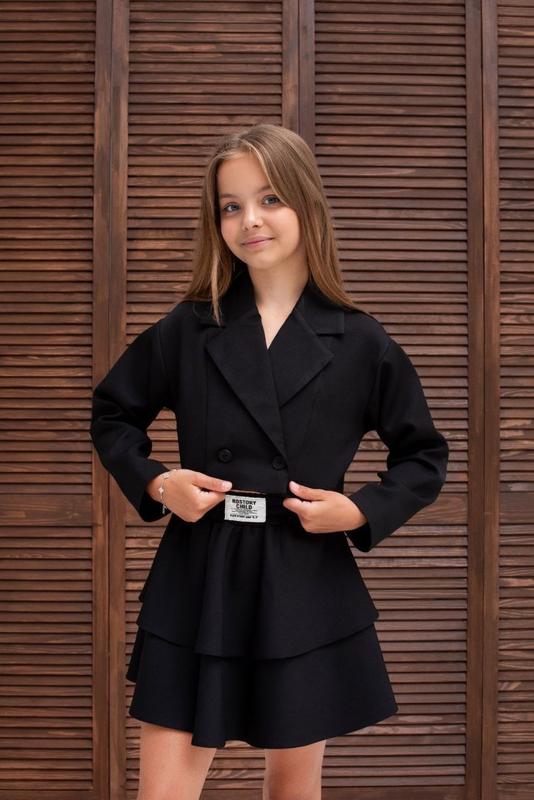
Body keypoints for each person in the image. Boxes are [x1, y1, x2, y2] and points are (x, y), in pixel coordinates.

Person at [90, 123, 449, 800]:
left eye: (270, 198)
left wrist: (358, 511)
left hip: (302, 575)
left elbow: (423, 454)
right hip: (199, 571)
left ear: (307, 204)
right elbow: (113, 413)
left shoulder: (361, 341)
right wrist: (160, 483)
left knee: (292, 788)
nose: (249, 220)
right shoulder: (188, 326)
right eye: (231, 205)